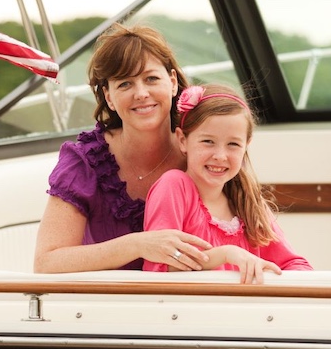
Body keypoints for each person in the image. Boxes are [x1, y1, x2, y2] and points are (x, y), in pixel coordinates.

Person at [34, 23, 213, 273]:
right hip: (110, 298)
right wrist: (138, 245)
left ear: (172, 82)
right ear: (109, 97)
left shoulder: (205, 150)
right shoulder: (86, 162)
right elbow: (46, 263)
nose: (141, 93)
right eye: (125, 84)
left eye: (151, 79)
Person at [142, 84, 312, 284]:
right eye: (208, 141)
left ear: (246, 146)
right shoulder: (174, 186)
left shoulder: (249, 202)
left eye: (233, 144)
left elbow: (294, 264)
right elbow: (161, 265)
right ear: (182, 140)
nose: (220, 156)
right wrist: (226, 254)